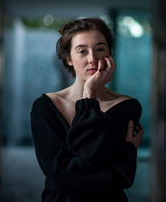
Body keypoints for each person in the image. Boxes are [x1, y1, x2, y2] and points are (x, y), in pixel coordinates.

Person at [30, 17, 144, 202]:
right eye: (82, 51)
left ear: (109, 55)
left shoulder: (127, 107)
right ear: (69, 59)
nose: (92, 59)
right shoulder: (45, 107)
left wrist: (88, 94)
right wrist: (126, 155)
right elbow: (59, 176)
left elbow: (121, 177)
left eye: (100, 49)